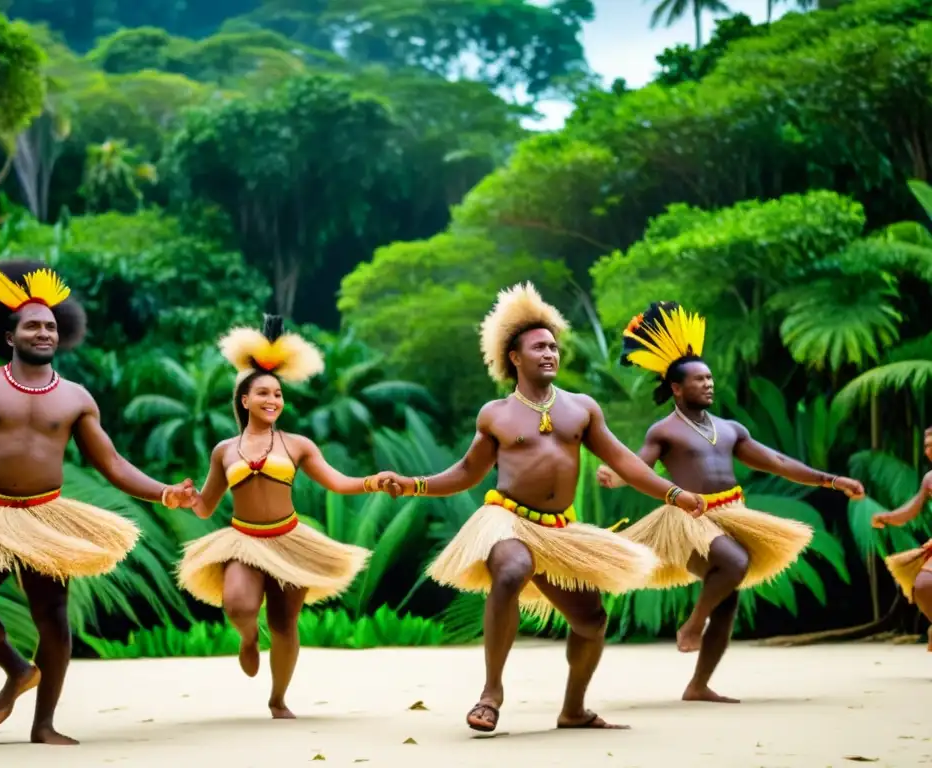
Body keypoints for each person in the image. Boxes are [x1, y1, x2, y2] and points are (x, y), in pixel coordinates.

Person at [376, 282, 705, 734]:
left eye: (553, 346)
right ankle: (491, 694)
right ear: (514, 357)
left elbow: (625, 461)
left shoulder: (581, 409)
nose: (550, 353)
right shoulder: (496, 414)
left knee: (591, 621)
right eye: (539, 347)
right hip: (506, 518)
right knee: (511, 569)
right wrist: (413, 484)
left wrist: (674, 493)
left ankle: (574, 710)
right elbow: (466, 474)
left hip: (559, 530)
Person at [0, 259, 198, 745]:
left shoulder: (76, 398)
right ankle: (17, 669)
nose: (44, 332)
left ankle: (44, 725)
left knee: (53, 619)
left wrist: (165, 492)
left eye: (50, 326)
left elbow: (112, 464)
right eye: (33, 326)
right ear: (9, 335)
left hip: (46, 517)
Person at [597, 301, 865, 703]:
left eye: (709, 378)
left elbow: (777, 462)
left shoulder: (729, 429)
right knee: (735, 563)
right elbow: (638, 467)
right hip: (687, 519)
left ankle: (699, 684)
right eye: (699, 379)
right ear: (676, 387)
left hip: (731, 513)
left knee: (729, 598)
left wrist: (830, 480)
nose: (708, 384)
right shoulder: (664, 430)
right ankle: (692, 624)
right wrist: (617, 477)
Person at [178, 315, 399, 719]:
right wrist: (184, 499)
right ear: (245, 400)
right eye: (262, 393)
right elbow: (207, 505)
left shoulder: (298, 445)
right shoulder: (225, 450)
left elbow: (337, 482)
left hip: (290, 540)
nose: (272, 400)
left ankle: (278, 697)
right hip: (243, 540)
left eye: (277, 394)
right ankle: (247, 639)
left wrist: (373, 482)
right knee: (239, 605)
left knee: (284, 624)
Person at [872, 474, 932, 650]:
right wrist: (889, 517)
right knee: (924, 585)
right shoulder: (929, 478)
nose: (929, 450)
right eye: (927, 445)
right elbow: (912, 509)